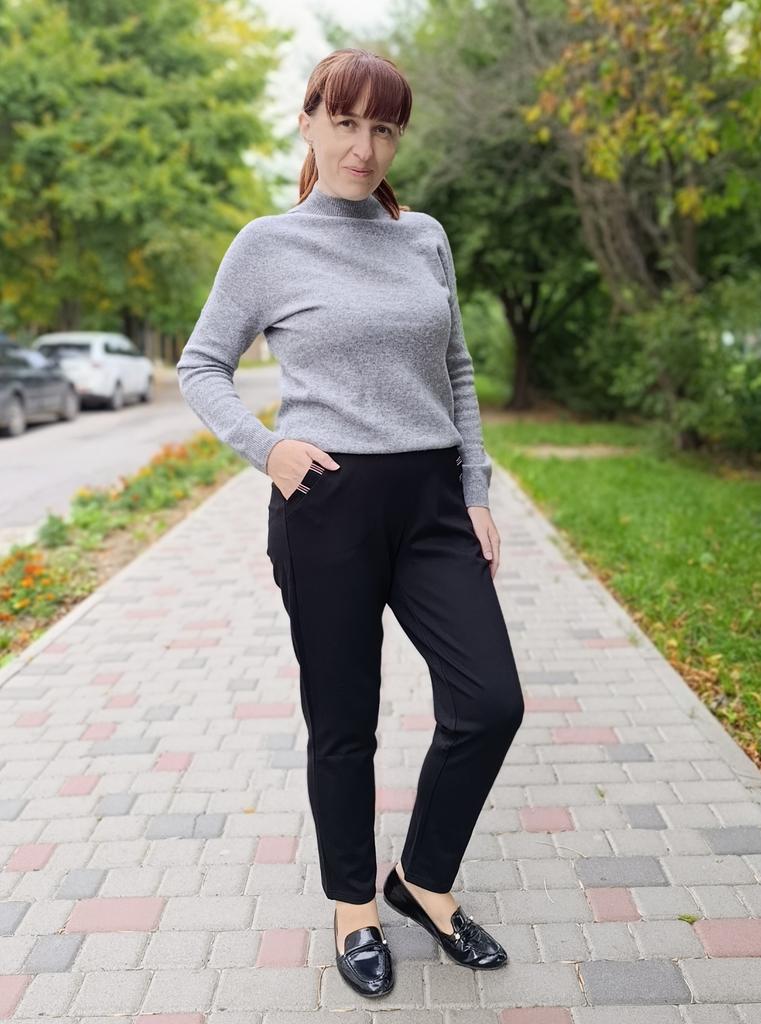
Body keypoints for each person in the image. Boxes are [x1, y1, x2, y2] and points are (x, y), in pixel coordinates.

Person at [176, 47, 525, 1000]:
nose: (363, 148)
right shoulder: (267, 245)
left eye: (383, 129)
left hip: (432, 501)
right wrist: (268, 450)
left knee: (490, 702)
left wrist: (476, 490)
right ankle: (353, 907)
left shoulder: (424, 238)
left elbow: (456, 369)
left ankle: (422, 879)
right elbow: (201, 364)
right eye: (345, 123)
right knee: (344, 725)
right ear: (309, 122)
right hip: (326, 504)